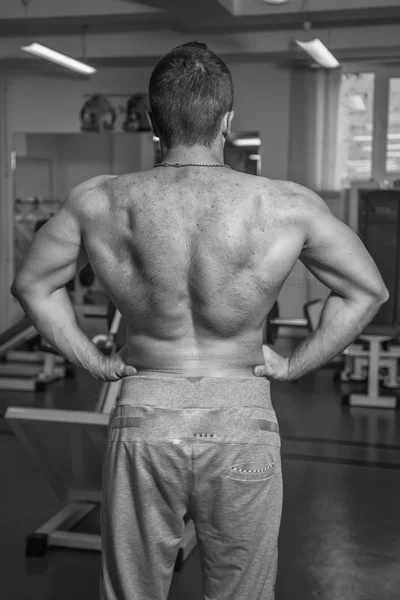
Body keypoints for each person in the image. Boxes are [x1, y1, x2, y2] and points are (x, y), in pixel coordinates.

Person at [11, 42, 388, 600]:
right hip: (243, 420)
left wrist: (95, 360)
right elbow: (367, 290)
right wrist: (291, 365)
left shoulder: (102, 202)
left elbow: (32, 285)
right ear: (228, 122)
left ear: (152, 122)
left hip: (145, 414)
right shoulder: (285, 205)